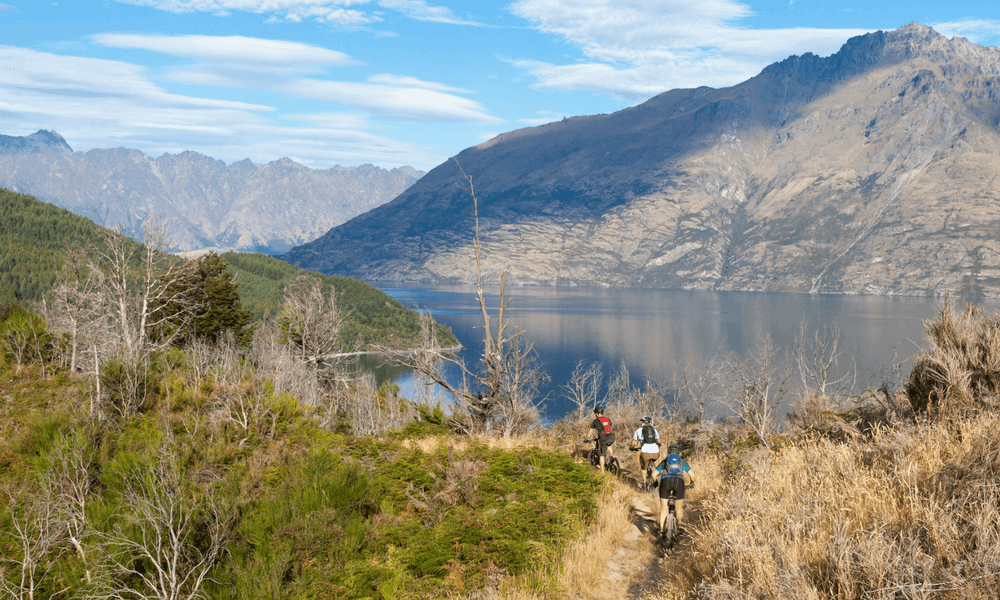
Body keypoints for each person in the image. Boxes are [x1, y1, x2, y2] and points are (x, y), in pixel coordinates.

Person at [653, 443, 695, 538]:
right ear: (678, 453)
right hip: (679, 482)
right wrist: (692, 483)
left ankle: (662, 532)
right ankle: (679, 529)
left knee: (664, 508)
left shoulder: (664, 461)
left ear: (668, 452)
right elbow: (692, 475)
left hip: (665, 482)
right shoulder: (682, 461)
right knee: (679, 508)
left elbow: (653, 474)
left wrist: (655, 483)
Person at [630, 416, 660, 490]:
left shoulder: (638, 430)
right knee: (655, 461)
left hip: (645, 452)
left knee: (644, 468)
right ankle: (656, 476)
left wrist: (631, 447)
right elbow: (659, 442)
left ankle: (644, 484)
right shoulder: (654, 430)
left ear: (642, 422)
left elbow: (633, 442)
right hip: (656, 452)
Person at [588, 406, 615, 473]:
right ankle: (612, 457)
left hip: (602, 438)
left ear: (596, 413)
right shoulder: (608, 419)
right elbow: (610, 429)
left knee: (601, 455)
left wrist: (587, 438)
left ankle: (602, 471)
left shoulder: (595, 421)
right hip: (611, 437)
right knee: (608, 445)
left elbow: (590, 431)